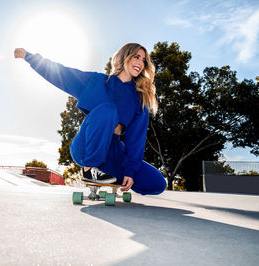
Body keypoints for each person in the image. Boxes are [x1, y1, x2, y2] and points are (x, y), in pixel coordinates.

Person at [14, 43, 167, 195]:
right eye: (136, 57)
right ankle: (90, 170)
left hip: (112, 153)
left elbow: (136, 139)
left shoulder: (140, 98)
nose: (140, 63)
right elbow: (62, 74)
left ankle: (108, 174)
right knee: (109, 109)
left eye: (144, 60)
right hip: (86, 147)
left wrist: (130, 171)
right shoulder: (97, 82)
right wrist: (29, 57)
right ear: (124, 57)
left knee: (157, 183)